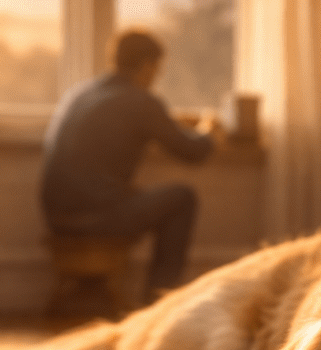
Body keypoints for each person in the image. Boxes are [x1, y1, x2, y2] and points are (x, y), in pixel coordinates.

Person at [40, 29, 215, 301]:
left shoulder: (79, 94)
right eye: (158, 69)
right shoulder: (141, 101)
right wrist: (209, 131)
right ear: (148, 65)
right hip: (97, 220)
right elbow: (193, 151)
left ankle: (94, 293)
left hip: (56, 219)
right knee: (182, 197)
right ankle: (159, 302)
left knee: (125, 192)